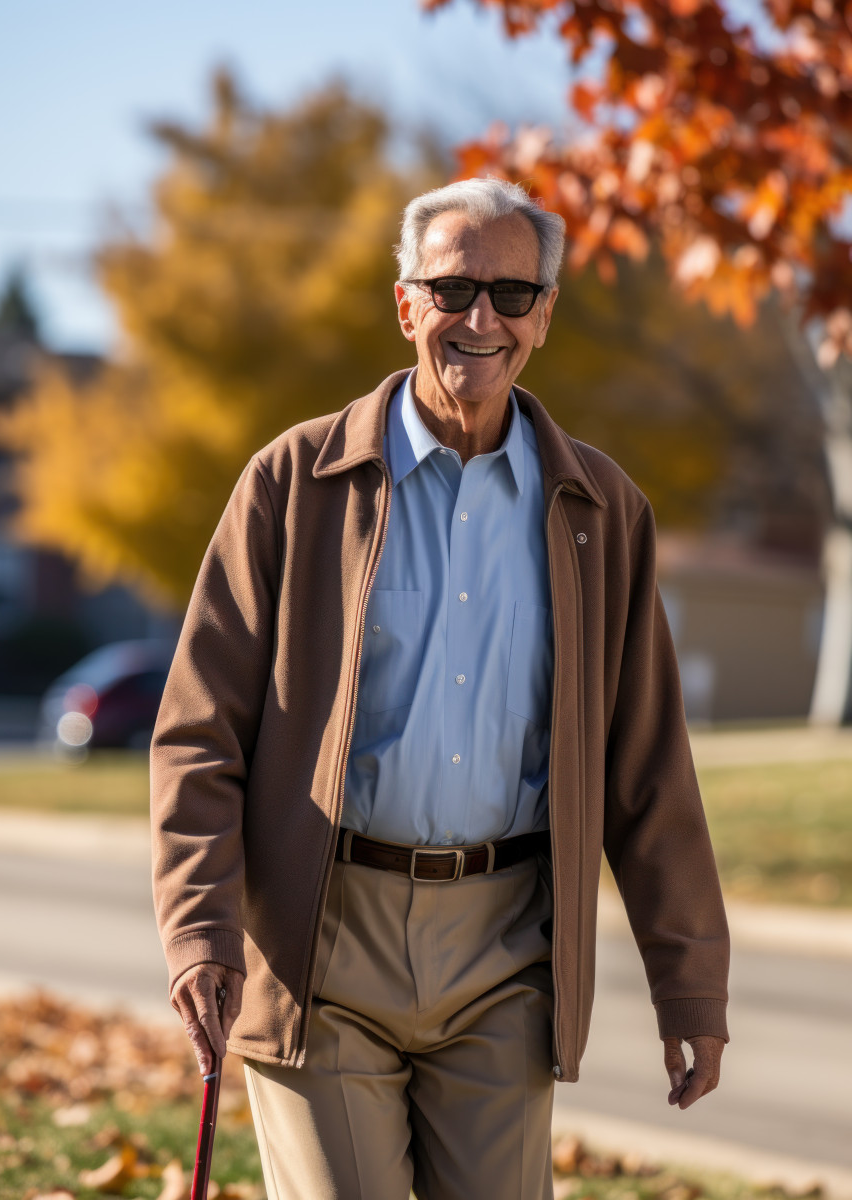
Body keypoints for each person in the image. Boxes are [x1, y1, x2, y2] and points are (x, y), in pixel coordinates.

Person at [150, 177, 730, 1200]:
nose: (481, 319)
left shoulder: (602, 511)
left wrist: (688, 984)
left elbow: (647, 768)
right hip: (321, 940)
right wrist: (201, 928)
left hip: (507, 953)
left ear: (544, 315)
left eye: (513, 294)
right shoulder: (293, 483)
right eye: (453, 288)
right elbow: (202, 733)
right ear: (406, 304)